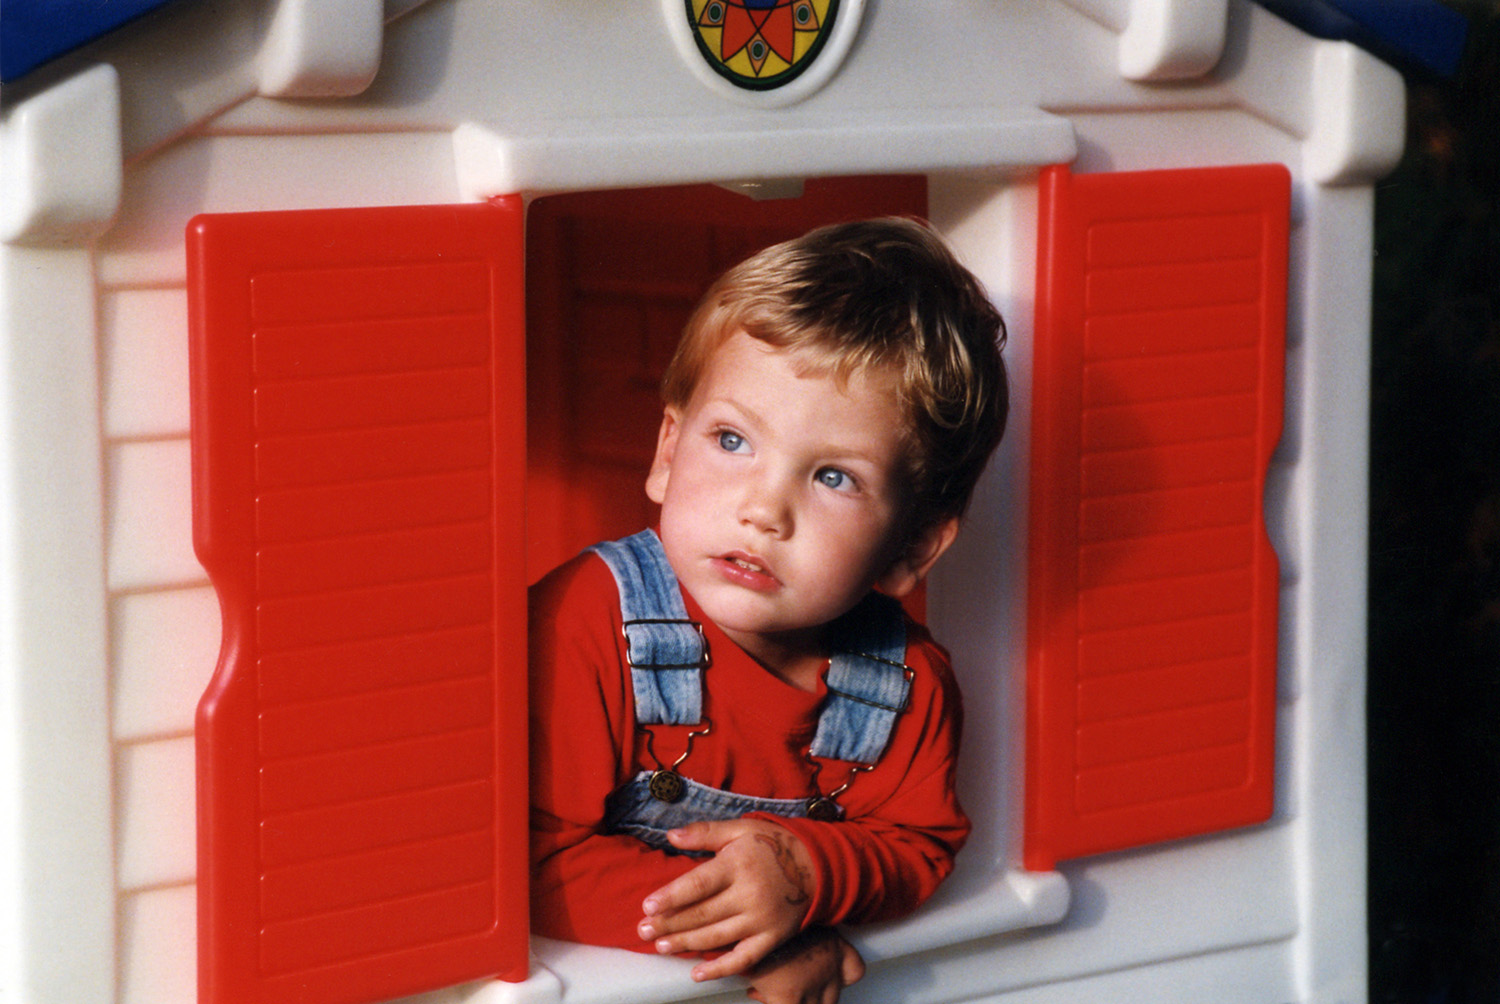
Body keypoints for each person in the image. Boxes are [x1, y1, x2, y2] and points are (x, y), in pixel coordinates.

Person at [529, 217, 1008, 1003]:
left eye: (832, 479)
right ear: (665, 452)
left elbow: (918, 845)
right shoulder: (579, 625)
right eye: (731, 440)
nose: (764, 509)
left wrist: (807, 875)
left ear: (911, 550)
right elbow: (520, 860)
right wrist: (750, 936)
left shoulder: (908, 685)